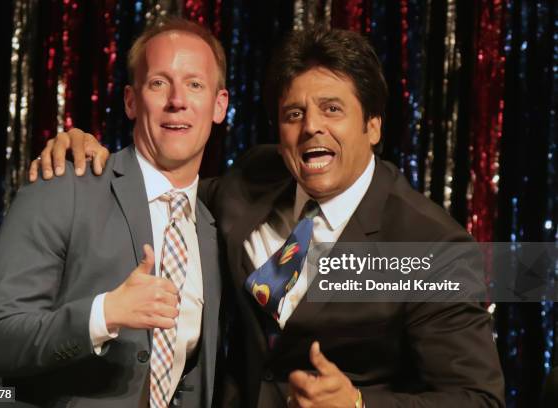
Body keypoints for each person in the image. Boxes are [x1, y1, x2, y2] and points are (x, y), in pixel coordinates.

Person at [32, 28, 505, 407]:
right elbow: (167, 194)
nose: (312, 126)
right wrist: (86, 151)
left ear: (373, 125)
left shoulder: (430, 247)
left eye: (332, 109)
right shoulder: (254, 180)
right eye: (294, 112)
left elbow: (478, 398)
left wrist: (360, 404)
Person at [0, 18, 228, 408]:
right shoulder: (65, 180)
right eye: (159, 83)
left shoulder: (212, 231)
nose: (177, 100)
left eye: (195, 84)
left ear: (219, 105)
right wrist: (103, 314)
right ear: (130, 100)